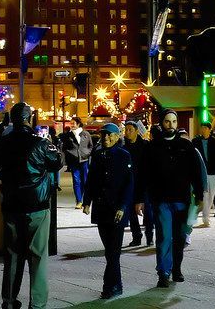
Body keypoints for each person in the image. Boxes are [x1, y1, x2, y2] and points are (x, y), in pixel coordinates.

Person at [0, 102, 64, 309]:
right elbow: (57, 162)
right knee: (38, 257)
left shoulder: (2, 143)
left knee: (12, 256)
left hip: (12, 205)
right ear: (29, 119)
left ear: (11, 120)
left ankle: (9, 300)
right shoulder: (40, 143)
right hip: (37, 204)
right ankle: (37, 303)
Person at [135, 110, 204, 288]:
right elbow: (143, 174)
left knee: (180, 236)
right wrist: (140, 198)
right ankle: (163, 272)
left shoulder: (186, 146)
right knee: (164, 235)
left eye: (174, 121)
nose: (171, 125)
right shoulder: (152, 148)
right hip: (161, 199)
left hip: (182, 199)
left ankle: (177, 268)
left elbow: (196, 173)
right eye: (167, 121)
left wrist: (200, 196)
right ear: (161, 123)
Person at [83, 123, 134, 300]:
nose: (105, 138)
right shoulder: (97, 155)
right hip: (101, 208)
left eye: (108, 135)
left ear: (116, 136)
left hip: (117, 209)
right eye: (103, 134)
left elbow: (129, 184)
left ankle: (108, 286)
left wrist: (123, 206)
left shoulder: (124, 155)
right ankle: (117, 284)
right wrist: (86, 201)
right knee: (110, 250)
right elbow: (91, 180)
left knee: (113, 251)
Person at [124, 120, 153, 247]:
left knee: (148, 212)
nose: (128, 132)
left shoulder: (145, 146)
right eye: (126, 130)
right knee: (131, 212)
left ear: (136, 131)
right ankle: (136, 235)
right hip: (130, 183)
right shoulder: (124, 147)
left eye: (130, 129)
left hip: (144, 182)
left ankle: (149, 234)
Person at [60, 116, 93, 208]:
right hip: (73, 161)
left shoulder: (85, 134)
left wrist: (86, 153)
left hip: (84, 160)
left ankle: (84, 199)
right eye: (71, 123)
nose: (71, 125)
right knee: (76, 180)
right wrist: (68, 155)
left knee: (84, 180)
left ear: (78, 124)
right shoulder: (68, 135)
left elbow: (90, 146)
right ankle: (79, 201)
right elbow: (64, 148)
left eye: (73, 123)